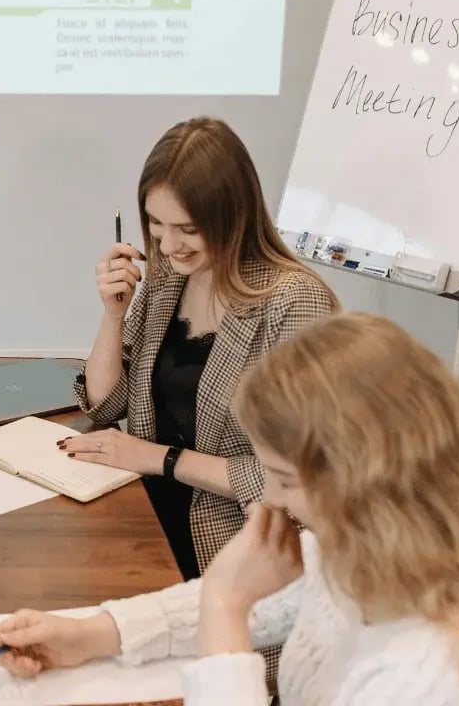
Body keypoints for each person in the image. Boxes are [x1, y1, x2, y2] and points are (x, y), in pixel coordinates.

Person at [0, 313, 459, 705]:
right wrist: (91, 634)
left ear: (366, 477)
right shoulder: (358, 546)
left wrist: (224, 606)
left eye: (285, 480)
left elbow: (236, 606)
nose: (272, 499)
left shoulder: (428, 672)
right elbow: (270, 607)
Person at [66, 117, 337, 580]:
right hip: (146, 514)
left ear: (234, 216)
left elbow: (303, 480)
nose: (168, 245)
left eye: (187, 228)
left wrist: (161, 460)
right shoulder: (170, 276)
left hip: (238, 542)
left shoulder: (295, 301)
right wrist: (113, 315)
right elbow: (107, 404)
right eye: (155, 224)